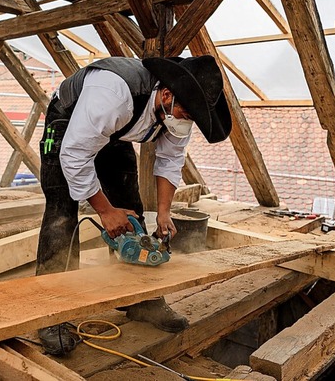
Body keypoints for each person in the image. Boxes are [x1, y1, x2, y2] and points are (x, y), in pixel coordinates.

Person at [35, 55, 232, 356]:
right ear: (167, 94)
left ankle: (141, 300)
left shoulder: (177, 110)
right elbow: (74, 155)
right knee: (62, 214)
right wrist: (105, 211)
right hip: (68, 126)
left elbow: (170, 161)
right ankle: (51, 312)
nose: (186, 120)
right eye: (185, 113)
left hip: (114, 132)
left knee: (130, 205)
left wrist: (164, 212)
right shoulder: (114, 93)